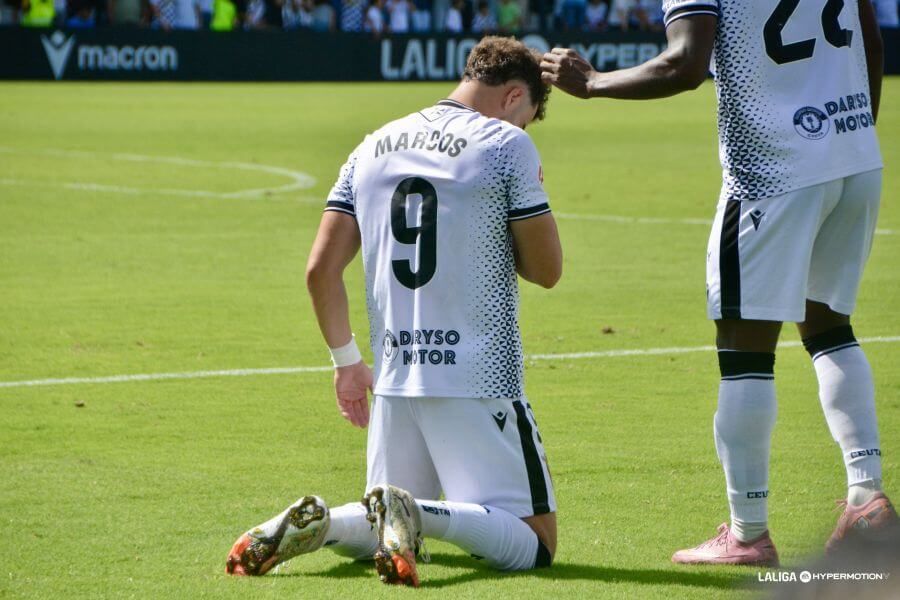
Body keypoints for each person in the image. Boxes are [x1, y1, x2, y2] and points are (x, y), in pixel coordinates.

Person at [541, 0, 896, 566]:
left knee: (743, 349)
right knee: (829, 327)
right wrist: (848, 144)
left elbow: (685, 63)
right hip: (853, 154)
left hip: (772, 168)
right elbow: (872, 43)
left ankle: (748, 533)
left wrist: (593, 82)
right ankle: (865, 494)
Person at [226, 36, 560, 587]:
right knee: (535, 543)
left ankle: (325, 525)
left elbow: (319, 270)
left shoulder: (371, 145)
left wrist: (346, 361)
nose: (523, 129)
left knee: (380, 517)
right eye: (526, 117)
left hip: (396, 375)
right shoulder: (505, 144)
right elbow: (547, 270)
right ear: (514, 96)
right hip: (478, 373)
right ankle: (419, 513)